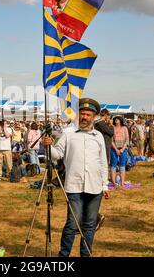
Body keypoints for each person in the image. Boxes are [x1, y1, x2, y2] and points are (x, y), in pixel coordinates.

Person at [43, 98, 109, 257]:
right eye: (82, 114)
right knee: (72, 224)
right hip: (74, 187)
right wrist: (48, 146)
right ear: (78, 115)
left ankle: (85, 255)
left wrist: (105, 185)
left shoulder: (98, 136)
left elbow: (103, 163)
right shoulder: (68, 134)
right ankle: (63, 256)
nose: (85, 117)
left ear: (93, 116)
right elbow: (57, 155)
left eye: (88, 114)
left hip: (95, 188)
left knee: (90, 225)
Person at [110, 116, 129, 187]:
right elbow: (111, 140)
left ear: (120, 120)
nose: (116, 120)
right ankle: (114, 183)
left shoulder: (125, 128)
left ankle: (122, 182)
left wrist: (122, 149)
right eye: (115, 119)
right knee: (113, 165)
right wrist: (116, 149)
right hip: (114, 149)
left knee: (122, 165)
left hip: (123, 149)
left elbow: (127, 140)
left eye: (117, 119)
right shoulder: (112, 128)